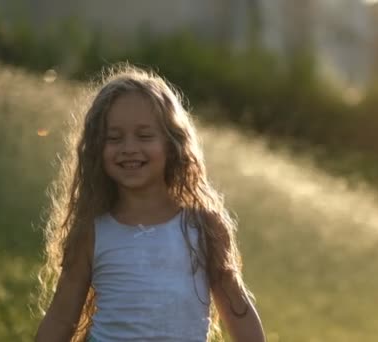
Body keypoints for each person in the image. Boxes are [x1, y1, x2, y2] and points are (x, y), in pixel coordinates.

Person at [34, 63, 266, 342]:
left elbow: (238, 311)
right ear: (97, 148)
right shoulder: (93, 231)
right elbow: (61, 317)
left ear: (173, 144)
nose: (129, 148)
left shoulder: (202, 227)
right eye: (114, 138)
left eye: (144, 136)